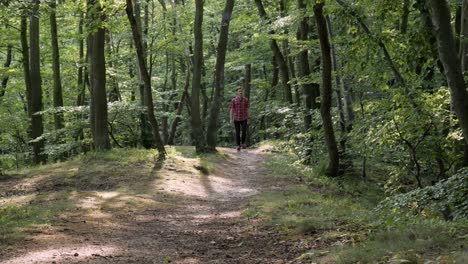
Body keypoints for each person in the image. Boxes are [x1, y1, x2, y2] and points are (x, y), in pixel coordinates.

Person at [229, 87, 250, 151]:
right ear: (237, 92)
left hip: (244, 118)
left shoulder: (246, 100)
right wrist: (231, 118)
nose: (240, 92)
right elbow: (231, 109)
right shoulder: (233, 100)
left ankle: (243, 143)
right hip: (236, 118)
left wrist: (249, 118)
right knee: (237, 132)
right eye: (239, 91)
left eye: (241, 91)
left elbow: (247, 109)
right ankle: (238, 145)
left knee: (244, 131)